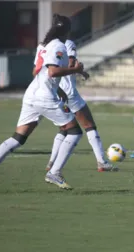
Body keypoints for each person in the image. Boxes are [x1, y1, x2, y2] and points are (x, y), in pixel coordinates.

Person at [0, 14, 85, 193]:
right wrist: (75, 70)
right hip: (44, 97)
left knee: (18, 138)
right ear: (67, 30)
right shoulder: (58, 46)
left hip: (32, 94)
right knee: (74, 132)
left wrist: (60, 90)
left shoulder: (46, 45)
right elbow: (52, 72)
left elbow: (41, 72)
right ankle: (54, 172)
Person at [34, 38, 117, 172]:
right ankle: (101, 162)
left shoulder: (44, 45)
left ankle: (51, 162)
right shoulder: (67, 43)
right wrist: (79, 68)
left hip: (53, 92)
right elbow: (71, 63)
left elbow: (39, 69)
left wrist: (81, 72)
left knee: (64, 129)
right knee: (89, 125)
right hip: (69, 93)